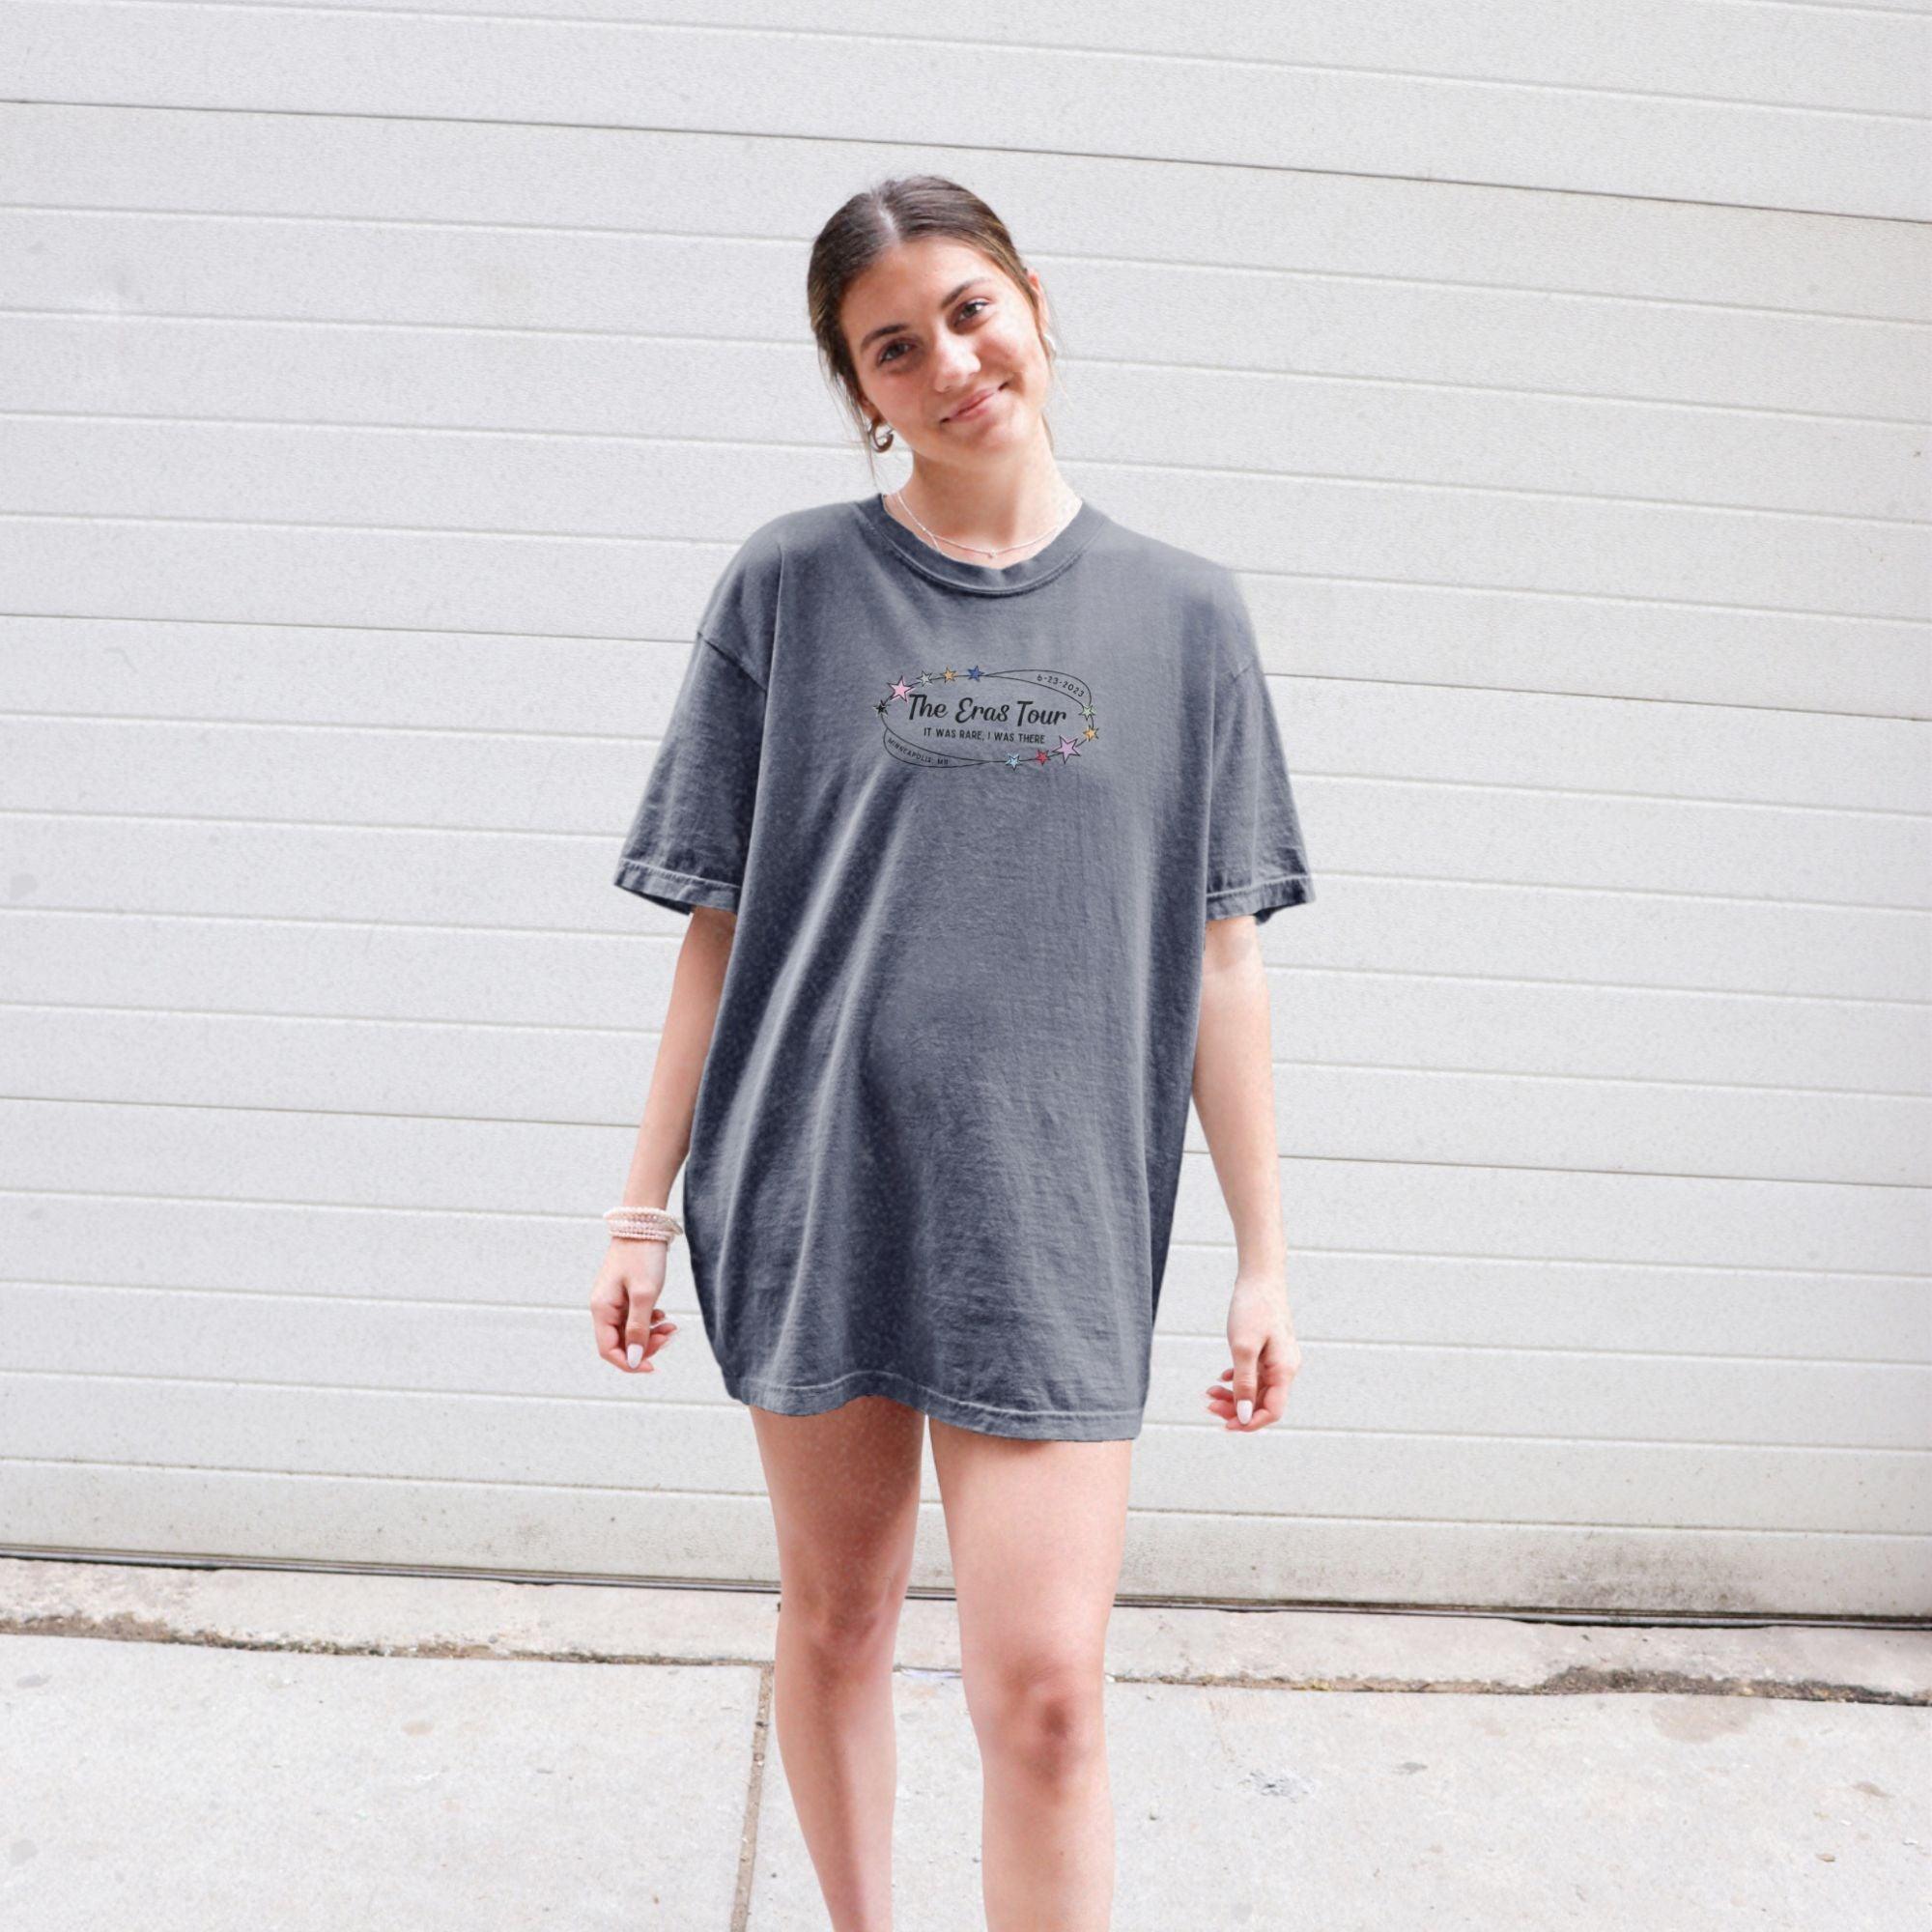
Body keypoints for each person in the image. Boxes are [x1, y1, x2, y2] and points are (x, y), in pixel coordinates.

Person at [590, 174, 1316, 1931]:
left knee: (1048, 1695)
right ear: (862, 391)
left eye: (969, 310)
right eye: (892, 347)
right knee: (837, 1620)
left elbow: (1224, 960)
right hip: (814, 1178)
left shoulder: (1187, 619)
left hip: (1054, 1214)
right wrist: (635, 1210)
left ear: (1035, 304)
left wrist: (1264, 1257)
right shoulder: (789, 588)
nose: (949, 364)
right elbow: (720, 922)